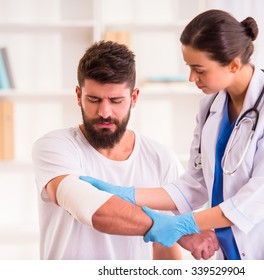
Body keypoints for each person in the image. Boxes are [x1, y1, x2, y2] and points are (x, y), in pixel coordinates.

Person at [81, 9, 264, 260]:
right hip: (233, 250)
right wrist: (126, 194)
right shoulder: (210, 106)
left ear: (233, 64)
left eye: (199, 69)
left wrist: (185, 225)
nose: (192, 78)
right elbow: (194, 185)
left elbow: (257, 198)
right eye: (189, 67)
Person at [31, 40, 219, 260]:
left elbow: (164, 247)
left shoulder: (160, 158)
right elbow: (91, 208)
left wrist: (174, 231)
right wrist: (178, 231)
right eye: (93, 99)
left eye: (116, 100)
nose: (104, 112)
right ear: (78, 96)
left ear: (134, 98)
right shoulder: (55, 146)